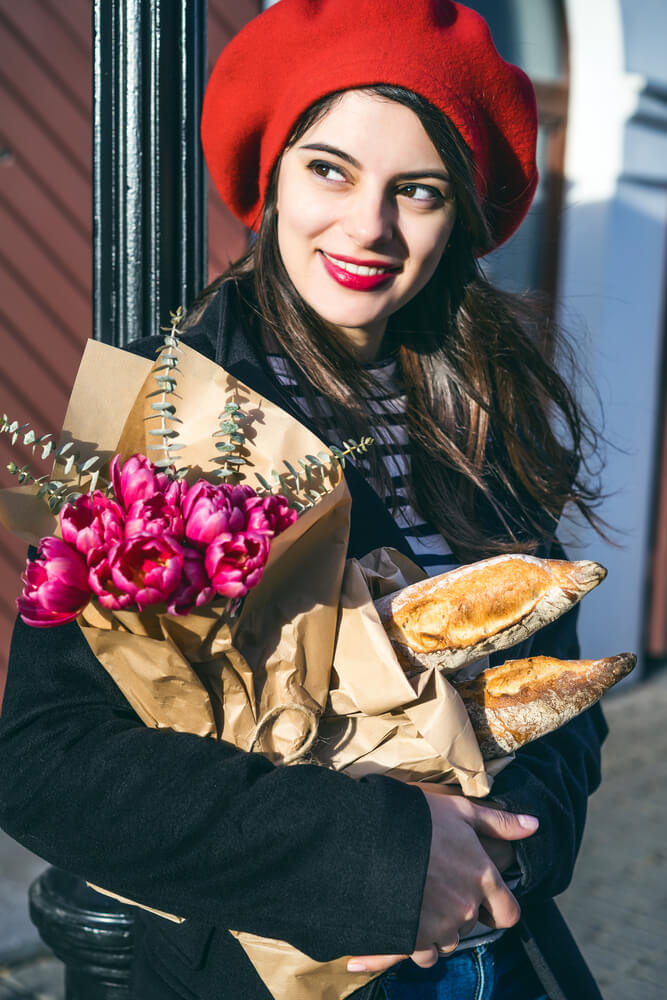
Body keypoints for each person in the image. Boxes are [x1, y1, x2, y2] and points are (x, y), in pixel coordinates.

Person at [0, 2, 609, 998]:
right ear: (272, 177)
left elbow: (560, 699)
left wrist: (508, 852)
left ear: (455, 214)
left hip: (497, 954)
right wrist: (377, 858)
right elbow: (47, 760)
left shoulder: (486, 413)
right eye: (331, 169)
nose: (368, 226)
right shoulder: (171, 429)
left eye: (415, 192)